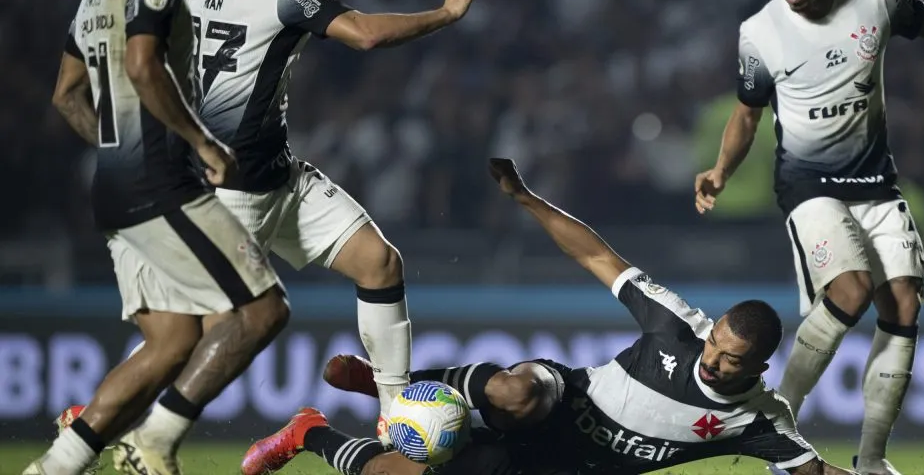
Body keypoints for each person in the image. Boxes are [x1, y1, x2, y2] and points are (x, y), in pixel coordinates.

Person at [240, 158, 856, 475]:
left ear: (761, 366)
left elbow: (814, 470)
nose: (714, 361)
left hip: (555, 466)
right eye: (716, 343)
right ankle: (398, 390)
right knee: (515, 392)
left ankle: (307, 432)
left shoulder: (759, 418)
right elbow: (596, 254)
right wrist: (526, 198)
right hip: (561, 395)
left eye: (730, 360)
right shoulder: (677, 327)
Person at [693, 0, 924, 475]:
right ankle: (776, 428)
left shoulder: (876, 1)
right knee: (853, 286)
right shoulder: (760, 32)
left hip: (876, 185)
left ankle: (870, 459)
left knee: (906, 303)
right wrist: (721, 170)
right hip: (807, 187)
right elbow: (747, 115)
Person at [182, 0, 480, 437]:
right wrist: (446, 14)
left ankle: (395, 421)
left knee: (380, 264)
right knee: (206, 345)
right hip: (232, 195)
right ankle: (101, 421)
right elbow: (365, 33)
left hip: (277, 175)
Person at [27, 0, 291, 474]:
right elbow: (146, 65)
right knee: (264, 309)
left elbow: (65, 93)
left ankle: (54, 468)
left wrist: (116, 151)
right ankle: (154, 442)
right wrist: (198, 143)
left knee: (171, 343)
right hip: (162, 186)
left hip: (116, 190)